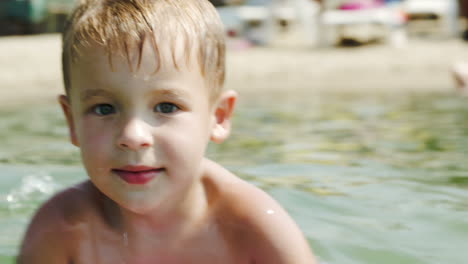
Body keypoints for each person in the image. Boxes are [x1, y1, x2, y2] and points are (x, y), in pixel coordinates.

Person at [17, 0, 317, 263]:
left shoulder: (254, 227)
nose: (133, 136)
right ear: (72, 123)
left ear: (219, 117)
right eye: (104, 109)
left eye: (167, 107)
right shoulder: (60, 231)